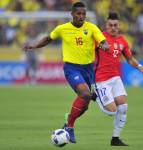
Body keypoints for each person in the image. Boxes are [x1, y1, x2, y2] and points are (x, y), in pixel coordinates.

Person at [23, 1, 109, 144]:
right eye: (78, 14)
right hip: (71, 68)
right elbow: (48, 39)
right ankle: (69, 127)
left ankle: (69, 120)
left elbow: (103, 41)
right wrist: (34, 46)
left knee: (84, 105)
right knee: (86, 94)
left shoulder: (92, 27)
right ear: (72, 14)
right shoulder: (63, 28)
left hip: (88, 70)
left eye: (83, 14)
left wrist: (104, 45)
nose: (81, 16)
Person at [94, 12, 143, 146]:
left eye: (115, 25)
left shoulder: (122, 41)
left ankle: (115, 138)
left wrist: (139, 66)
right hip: (101, 79)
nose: (113, 27)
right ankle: (94, 96)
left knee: (123, 106)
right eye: (110, 25)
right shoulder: (99, 38)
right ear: (106, 25)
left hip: (115, 78)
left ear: (119, 26)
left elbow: (129, 58)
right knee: (112, 112)